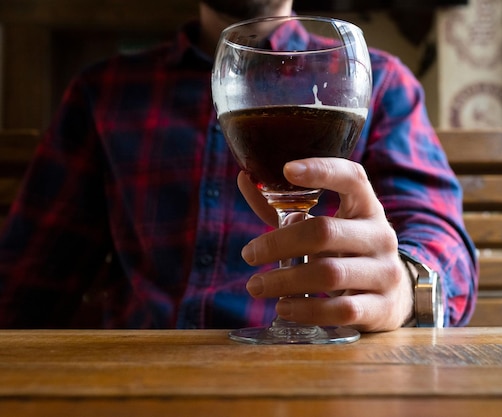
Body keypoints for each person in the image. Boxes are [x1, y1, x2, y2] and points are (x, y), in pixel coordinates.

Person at [0, 0, 477, 330]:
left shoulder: (380, 81)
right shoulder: (104, 92)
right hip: (143, 379)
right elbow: (27, 281)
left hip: (325, 379)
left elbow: (438, 232)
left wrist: (406, 285)